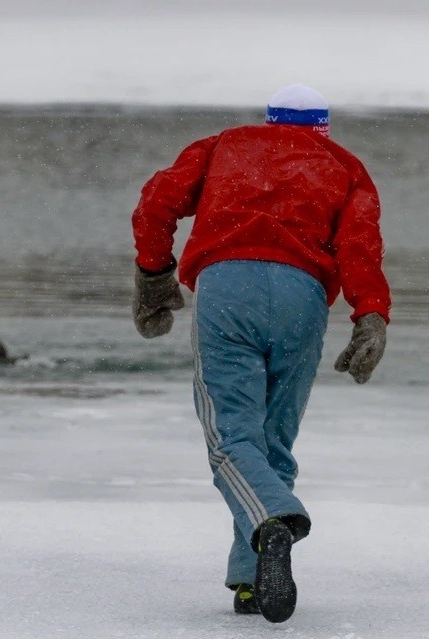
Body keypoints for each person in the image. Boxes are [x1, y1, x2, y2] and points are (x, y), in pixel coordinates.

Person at [130, 84, 391, 623]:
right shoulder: (345, 167)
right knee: (273, 440)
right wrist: (370, 316)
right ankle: (251, 581)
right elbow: (360, 246)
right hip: (304, 297)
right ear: (323, 126)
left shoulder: (223, 145)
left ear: (271, 120)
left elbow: (156, 201)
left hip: (229, 286)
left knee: (232, 438)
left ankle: (273, 519)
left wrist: (154, 273)